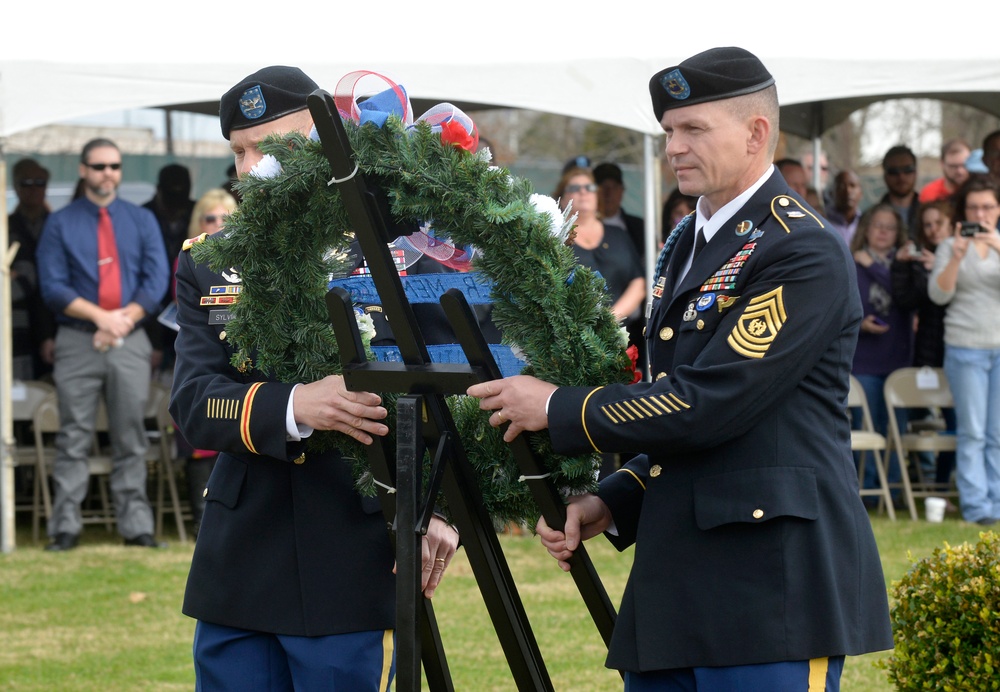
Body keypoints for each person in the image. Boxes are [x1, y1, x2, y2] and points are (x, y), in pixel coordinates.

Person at [468, 46, 892, 689]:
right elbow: (674, 409)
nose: (674, 147)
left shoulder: (800, 248)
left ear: (757, 133)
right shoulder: (688, 243)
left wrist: (558, 407)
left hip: (768, 586)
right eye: (670, 131)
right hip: (677, 582)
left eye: (695, 128)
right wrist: (613, 502)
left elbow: (709, 402)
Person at [169, 65, 459, 689]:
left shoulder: (400, 252)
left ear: (325, 139)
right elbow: (195, 402)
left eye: (270, 148)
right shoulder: (210, 264)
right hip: (241, 559)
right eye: (239, 151)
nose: (249, 169)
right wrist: (297, 404)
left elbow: (448, 393)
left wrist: (442, 507)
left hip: (350, 547)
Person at [36, 138, 171, 552]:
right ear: (82, 170)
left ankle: (136, 527)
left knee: (131, 434)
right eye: (98, 167)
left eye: (114, 166)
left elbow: (157, 279)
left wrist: (122, 321)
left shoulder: (141, 220)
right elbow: (53, 285)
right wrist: (101, 318)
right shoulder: (60, 223)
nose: (107, 174)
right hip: (78, 340)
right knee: (73, 434)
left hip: (130, 339)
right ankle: (66, 528)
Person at [928, 174, 1000, 525]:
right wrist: (956, 257)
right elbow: (938, 295)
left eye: (987, 206)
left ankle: (998, 503)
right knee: (971, 431)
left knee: (997, 433)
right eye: (973, 207)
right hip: (965, 346)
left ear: (998, 209)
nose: (981, 213)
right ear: (963, 211)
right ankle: (977, 508)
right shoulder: (949, 246)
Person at [171, 188, 238, 537]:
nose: (217, 224)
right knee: (199, 437)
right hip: (199, 357)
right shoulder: (193, 260)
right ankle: (202, 514)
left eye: (225, 218)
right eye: (210, 218)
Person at [892, 200, 957, 489]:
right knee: (918, 417)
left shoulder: (961, 253)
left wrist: (943, 271)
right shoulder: (918, 260)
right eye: (927, 225)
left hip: (959, 346)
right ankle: (919, 485)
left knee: (956, 422)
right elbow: (905, 301)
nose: (932, 230)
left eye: (938, 224)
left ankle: (943, 486)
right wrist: (904, 265)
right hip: (927, 351)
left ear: (950, 223)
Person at [850, 204, 912, 496]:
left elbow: (904, 299)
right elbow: (844, 304)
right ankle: (869, 491)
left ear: (898, 232)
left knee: (897, 428)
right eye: (878, 225)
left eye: (890, 226)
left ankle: (896, 491)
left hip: (898, 360)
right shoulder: (850, 262)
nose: (884, 232)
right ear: (867, 229)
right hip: (864, 361)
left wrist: (872, 266)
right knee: (868, 425)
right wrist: (860, 322)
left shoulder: (904, 264)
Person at [8, 158, 56, 381]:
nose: (34, 188)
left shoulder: (58, 224)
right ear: (15, 186)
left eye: (40, 182)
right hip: (16, 322)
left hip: (55, 318)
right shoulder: (5, 225)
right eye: (26, 182)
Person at [593, 161, 646, 262]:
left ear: (621, 190)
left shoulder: (639, 228)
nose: (608, 193)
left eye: (613, 187)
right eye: (603, 187)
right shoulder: (580, 226)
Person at [880, 144, 921, 238]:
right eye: (893, 171)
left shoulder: (931, 214)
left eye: (907, 170)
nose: (901, 177)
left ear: (915, 173)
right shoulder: (871, 218)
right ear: (885, 176)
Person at [919, 138, 971, 204]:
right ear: (942, 164)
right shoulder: (930, 194)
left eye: (964, 165)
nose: (960, 171)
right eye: (953, 166)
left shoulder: (981, 192)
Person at [826, 169, 864, 247]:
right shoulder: (822, 222)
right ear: (831, 193)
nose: (848, 191)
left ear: (861, 193)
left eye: (852, 185)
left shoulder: (866, 223)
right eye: (841, 186)